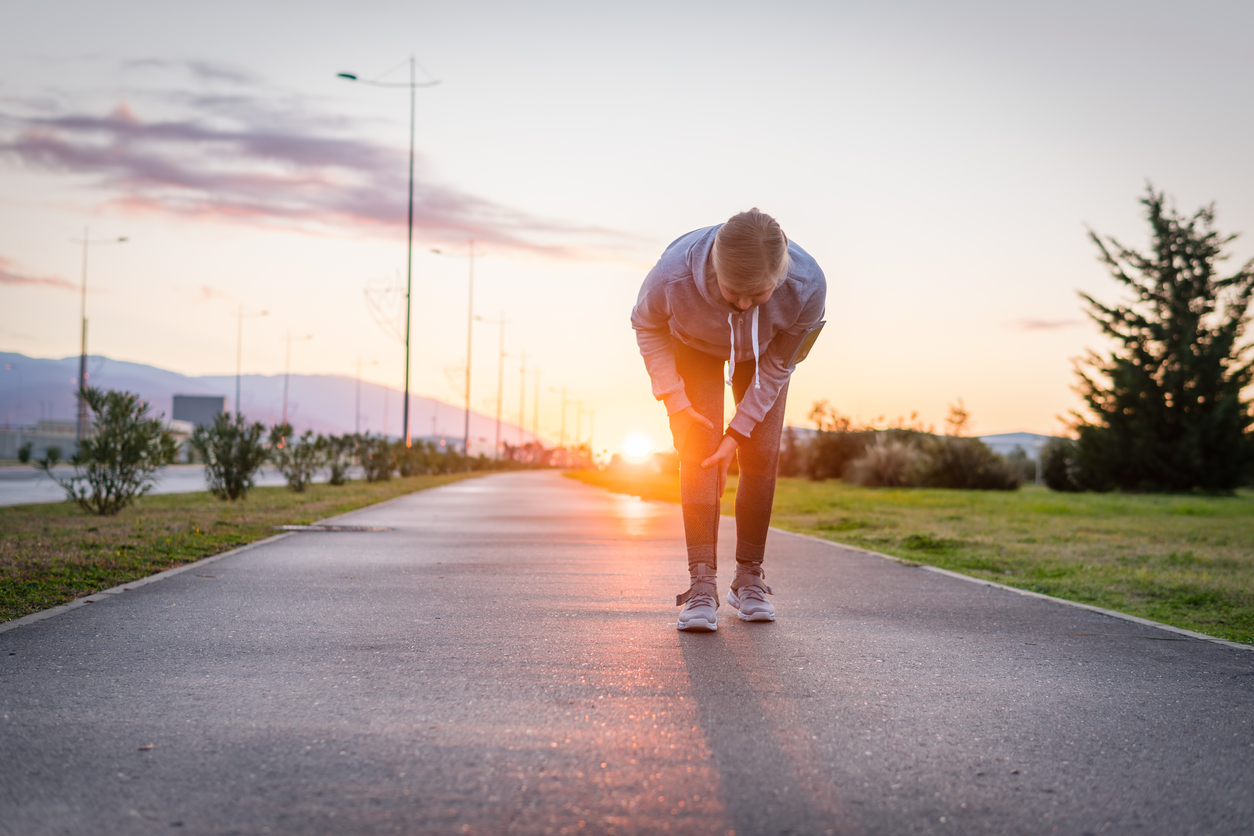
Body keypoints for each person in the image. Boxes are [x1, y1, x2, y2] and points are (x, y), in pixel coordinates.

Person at [632, 208, 827, 631]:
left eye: (757, 296)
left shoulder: (808, 286)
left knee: (762, 453)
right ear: (714, 270)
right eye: (731, 292)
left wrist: (737, 434)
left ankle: (749, 579)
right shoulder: (672, 276)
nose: (741, 305)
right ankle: (702, 586)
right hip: (694, 346)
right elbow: (645, 324)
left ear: (779, 279)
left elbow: (779, 366)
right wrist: (676, 403)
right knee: (698, 452)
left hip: (762, 355)